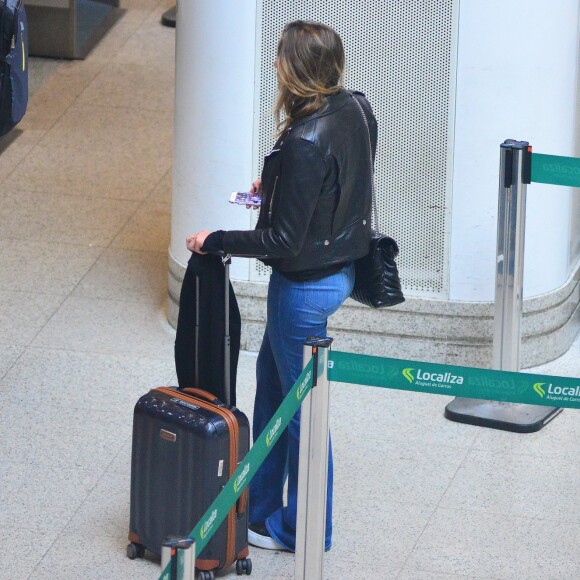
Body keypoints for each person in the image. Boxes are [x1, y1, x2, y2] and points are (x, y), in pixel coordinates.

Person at [187, 20, 377, 553]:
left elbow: (282, 241)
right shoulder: (355, 108)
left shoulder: (304, 138)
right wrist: (279, 187)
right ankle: (264, 510)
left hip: (303, 289)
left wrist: (215, 239)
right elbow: (342, 177)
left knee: (302, 416)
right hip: (338, 270)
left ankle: (306, 532)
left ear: (295, 71)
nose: (274, 67)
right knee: (272, 386)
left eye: (279, 60)